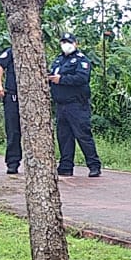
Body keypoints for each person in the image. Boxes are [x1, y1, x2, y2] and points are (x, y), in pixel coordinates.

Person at [48, 32, 101, 177]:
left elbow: (82, 78)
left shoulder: (81, 60)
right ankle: (66, 166)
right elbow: (52, 75)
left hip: (77, 104)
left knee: (83, 135)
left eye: (69, 42)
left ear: (75, 43)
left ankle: (94, 166)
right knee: (64, 137)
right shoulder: (58, 60)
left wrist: (62, 79)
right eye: (63, 42)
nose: (66, 45)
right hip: (61, 105)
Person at [0, 46, 21, 174]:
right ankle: (12, 162)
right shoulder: (11, 51)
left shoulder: (35, 49)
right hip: (12, 96)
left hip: (30, 97)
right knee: (13, 131)